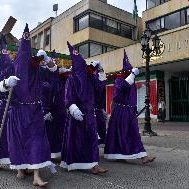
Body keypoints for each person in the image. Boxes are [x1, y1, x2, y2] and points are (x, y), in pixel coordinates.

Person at [0, 24, 55, 187]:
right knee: (19, 142)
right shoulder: (12, 68)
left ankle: (36, 175)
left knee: (37, 141)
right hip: (18, 111)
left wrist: (48, 59)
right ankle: (21, 168)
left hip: (35, 110)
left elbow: (53, 72)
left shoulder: (36, 67)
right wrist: (6, 83)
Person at [60, 42, 108, 174]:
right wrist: (73, 108)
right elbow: (68, 98)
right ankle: (74, 162)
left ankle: (94, 165)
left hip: (90, 114)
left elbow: (101, 87)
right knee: (75, 139)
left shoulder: (91, 78)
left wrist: (101, 70)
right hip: (76, 114)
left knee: (92, 138)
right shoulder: (71, 79)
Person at [104, 50, 155, 164]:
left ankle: (142, 156)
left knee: (133, 133)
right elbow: (121, 90)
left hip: (129, 111)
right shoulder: (119, 81)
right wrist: (111, 113)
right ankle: (122, 155)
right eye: (130, 71)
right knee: (121, 133)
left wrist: (134, 107)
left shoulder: (132, 83)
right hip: (120, 111)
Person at [93, 63, 108, 146]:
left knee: (101, 128)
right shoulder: (95, 78)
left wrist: (102, 109)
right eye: (101, 70)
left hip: (99, 108)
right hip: (94, 109)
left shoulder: (99, 79)